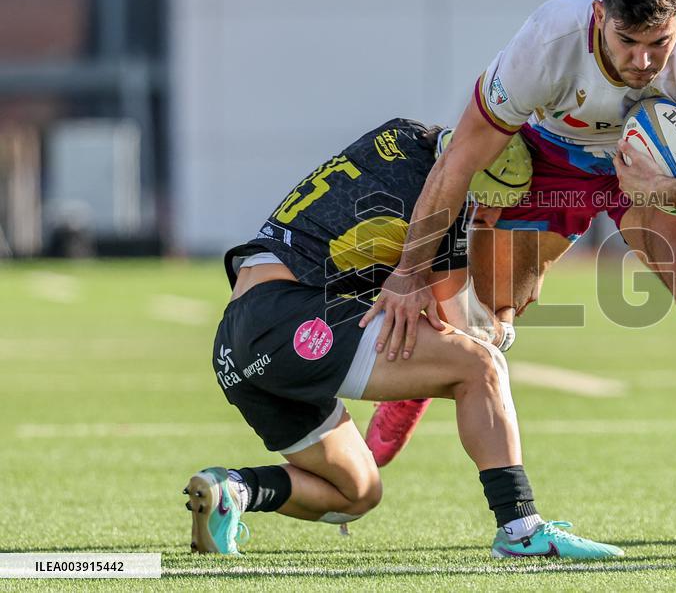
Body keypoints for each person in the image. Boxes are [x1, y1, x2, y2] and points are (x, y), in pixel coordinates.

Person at [362, 0, 676, 533]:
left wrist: (663, 191)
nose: (644, 62)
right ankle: (411, 392)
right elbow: (460, 158)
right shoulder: (547, 43)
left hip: (656, 168)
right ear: (601, 17)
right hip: (552, 158)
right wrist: (411, 272)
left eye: (659, 44)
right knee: (485, 321)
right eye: (628, 42)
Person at [185, 118, 624, 559]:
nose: (490, 217)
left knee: (356, 491)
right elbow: (463, 324)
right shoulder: (442, 196)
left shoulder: (401, 137)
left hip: (236, 345)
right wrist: (501, 329)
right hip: (289, 318)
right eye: (492, 204)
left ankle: (235, 490)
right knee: (481, 366)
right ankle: (521, 528)